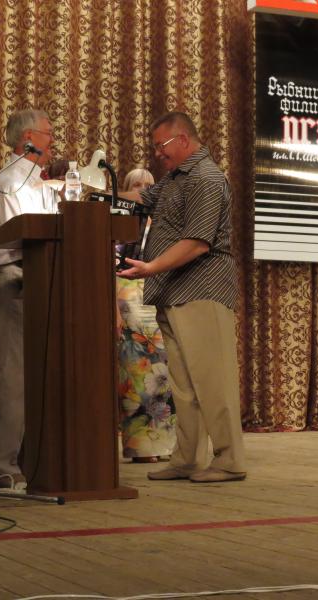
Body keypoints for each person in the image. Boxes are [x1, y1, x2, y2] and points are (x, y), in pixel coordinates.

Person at [118, 112, 246, 483]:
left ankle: (229, 460)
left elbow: (197, 242)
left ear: (184, 140)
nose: (157, 153)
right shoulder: (176, 178)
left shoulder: (206, 178)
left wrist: (151, 267)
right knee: (184, 386)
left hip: (202, 290)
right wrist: (94, 193)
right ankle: (187, 458)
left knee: (213, 381)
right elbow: (141, 198)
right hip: (174, 292)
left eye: (162, 146)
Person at [0, 109, 56, 489]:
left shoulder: (38, 181)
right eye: (48, 133)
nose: (53, 140)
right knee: (15, 376)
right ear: (28, 137)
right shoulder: (12, 180)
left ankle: (28, 461)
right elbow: (24, 237)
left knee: (31, 376)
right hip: (16, 280)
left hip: (41, 281)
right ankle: (3, 468)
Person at [115, 169, 177, 463]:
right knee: (135, 373)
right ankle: (140, 446)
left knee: (162, 373)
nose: (142, 190)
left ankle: (165, 444)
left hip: (156, 295)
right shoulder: (118, 222)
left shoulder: (164, 223)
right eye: (137, 185)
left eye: (148, 185)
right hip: (127, 295)